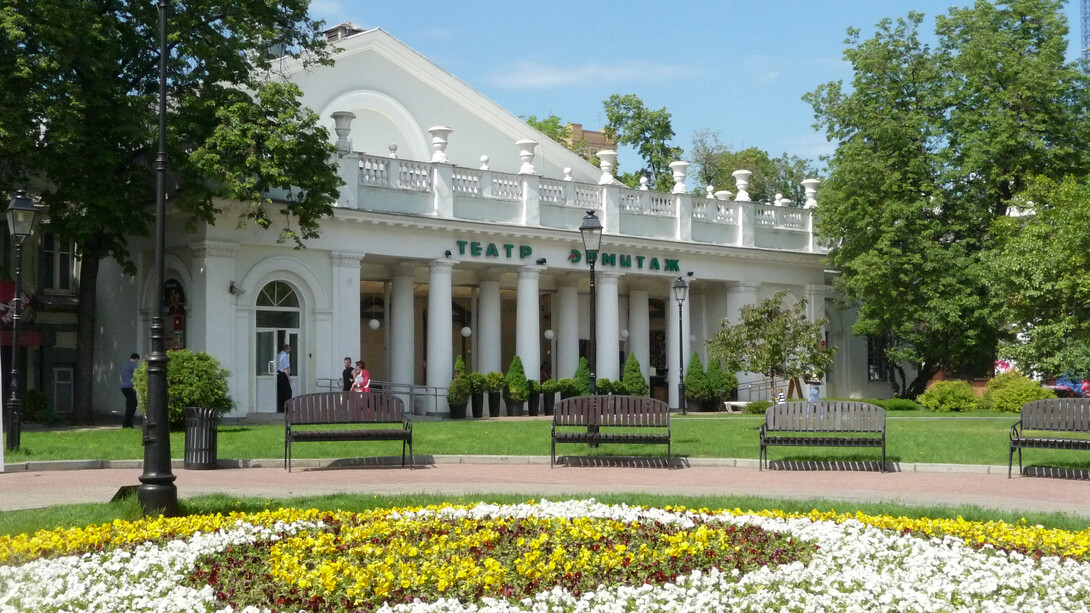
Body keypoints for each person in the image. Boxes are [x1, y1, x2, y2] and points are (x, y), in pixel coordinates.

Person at [120, 353, 140, 428]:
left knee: (129, 404)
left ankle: (128, 423)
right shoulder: (133, 365)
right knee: (133, 405)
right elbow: (136, 375)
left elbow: (121, 377)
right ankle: (127, 423)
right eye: (137, 360)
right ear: (136, 359)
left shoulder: (124, 365)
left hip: (124, 387)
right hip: (130, 387)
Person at [276, 343, 292, 412]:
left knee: (280, 392)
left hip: (279, 375)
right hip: (283, 375)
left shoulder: (279, 355)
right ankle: (286, 409)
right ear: (286, 349)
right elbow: (285, 368)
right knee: (288, 392)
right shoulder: (284, 356)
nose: (290, 350)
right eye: (289, 348)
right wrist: (288, 377)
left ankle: (280, 408)